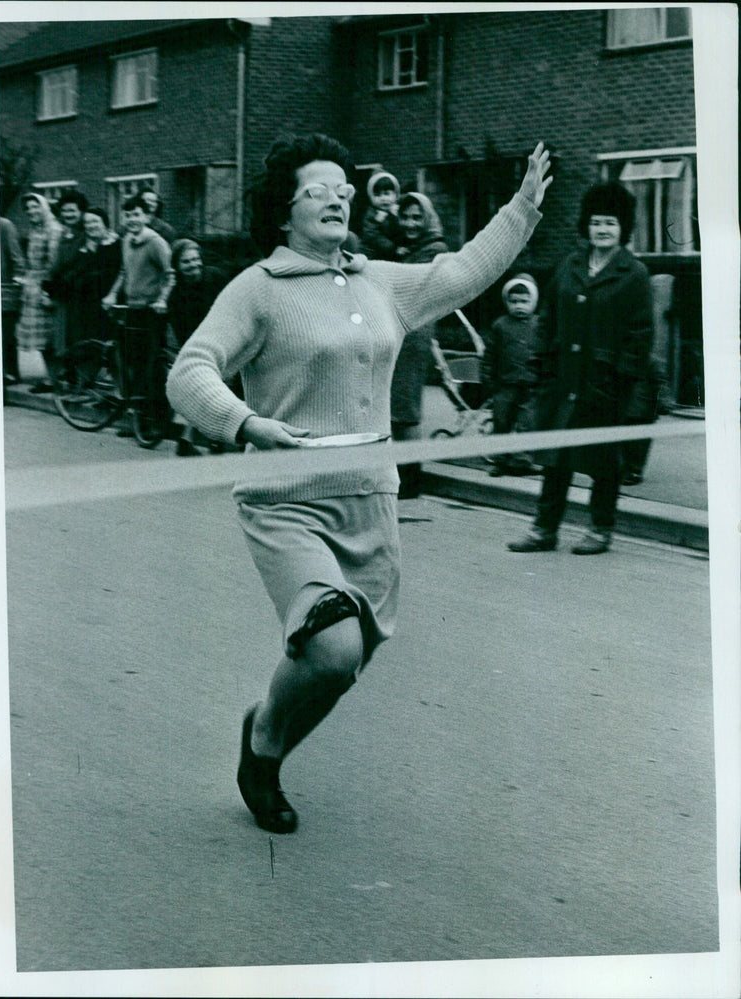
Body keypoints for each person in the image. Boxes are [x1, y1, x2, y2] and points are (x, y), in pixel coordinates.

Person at [167, 132, 551, 835]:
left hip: (372, 500)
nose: (338, 199)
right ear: (283, 208)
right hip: (287, 501)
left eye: (345, 190)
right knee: (331, 645)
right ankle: (264, 751)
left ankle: (267, 730)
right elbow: (188, 370)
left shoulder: (381, 283)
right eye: (320, 189)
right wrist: (247, 422)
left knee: (344, 662)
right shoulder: (258, 289)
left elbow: (464, 270)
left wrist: (522, 209)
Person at [508, 181, 653, 556]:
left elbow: (641, 334)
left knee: (604, 461)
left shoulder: (633, 274)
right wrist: (540, 361)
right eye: (596, 222)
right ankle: (544, 529)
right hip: (563, 380)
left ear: (623, 229)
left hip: (604, 385)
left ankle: (600, 529)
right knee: (555, 459)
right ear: (586, 226)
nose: (602, 229)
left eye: (610, 223)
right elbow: (548, 318)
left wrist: (623, 379)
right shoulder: (569, 265)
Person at [390, 191, 449, 499]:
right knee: (397, 408)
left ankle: (411, 479)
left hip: (413, 334)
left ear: (427, 219)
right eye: (405, 217)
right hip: (399, 330)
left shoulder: (432, 250)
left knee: (405, 409)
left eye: (417, 217)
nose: (410, 223)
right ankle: (401, 475)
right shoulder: (407, 247)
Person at [102, 195, 175, 434]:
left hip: (151, 311)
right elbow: (124, 271)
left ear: (146, 216)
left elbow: (169, 275)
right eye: (128, 215)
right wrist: (112, 294)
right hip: (132, 309)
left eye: (137, 214)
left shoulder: (155, 242)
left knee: (152, 368)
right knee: (132, 365)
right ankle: (138, 421)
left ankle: (158, 422)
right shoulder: (126, 240)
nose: (132, 219)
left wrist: (162, 299)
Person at [164, 238, 227, 455]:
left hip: (225, 338)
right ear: (177, 266)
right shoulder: (177, 296)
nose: (193, 265)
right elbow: (183, 332)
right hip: (200, 345)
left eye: (195, 259)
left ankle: (192, 438)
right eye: (186, 262)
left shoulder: (215, 277)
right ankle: (208, 439)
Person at [482, 273, 542, 477]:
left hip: (531, 384)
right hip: (504, 385)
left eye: (524, 302)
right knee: (502, 422)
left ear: (533, 302)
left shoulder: (539, 325)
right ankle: (500, 460)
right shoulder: (500, 325)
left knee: (528, 422)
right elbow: (490, 355)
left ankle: (522, 460)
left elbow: (546, 353)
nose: (519, 306)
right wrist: (488, 379)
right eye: (514, 301)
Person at [15, 193, 63, 392]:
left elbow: (53, 263)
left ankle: (56, 379)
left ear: (44, 207)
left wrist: (46, 291)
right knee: (41, 340)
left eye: (35, 207)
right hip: (32, 286)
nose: (31, 211)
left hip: (45, 286)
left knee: (51, 336)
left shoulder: (53, 229)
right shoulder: (35, 229)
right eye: (28, 208)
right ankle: (50, 379)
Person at [43, 190, 88, 385]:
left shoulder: (85, 234)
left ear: (81, 211)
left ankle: (80, 380)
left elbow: (80, 265)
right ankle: (68, 378)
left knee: (77, 336)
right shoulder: (64, 234)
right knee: (62, 338)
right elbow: (56, 264)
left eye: (72, 211)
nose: (68, 215)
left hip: (77, 294)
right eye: (65, 211)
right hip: (63, 295)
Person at [67, 207, 122, 347]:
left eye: (95, 221)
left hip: (109, 302)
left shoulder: (116, 244)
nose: (90, 226)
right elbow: (73, 272)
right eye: (87, 223)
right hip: (86, 306)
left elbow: (122, 271)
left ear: (105, 223)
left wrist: (113, 294)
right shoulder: (82, 247)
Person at [620, 355, 666, 485]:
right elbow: (660, 385)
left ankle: (632, 471)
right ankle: (632, 471)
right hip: (639, 409)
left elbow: (659, 385)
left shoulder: (650, 361)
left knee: (634, 443)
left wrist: (661, 404)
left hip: (640, 409)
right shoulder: (652, 361)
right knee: (636, 443)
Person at [0, 215, 25, 391]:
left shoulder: (3, 225)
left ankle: (11, 372)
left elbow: (17, 257)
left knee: (6, 331)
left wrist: (17, 282)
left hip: (4, 288)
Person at [359, 170, 401, 260]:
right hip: (373, 255)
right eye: (377, 195)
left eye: (387, 194)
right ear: (371, 197)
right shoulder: (371, 214)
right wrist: (376, 222)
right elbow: (371, 235)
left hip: (393, 253)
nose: (383, 198)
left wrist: (396, 217)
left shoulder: (397, 211)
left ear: (396, 195)